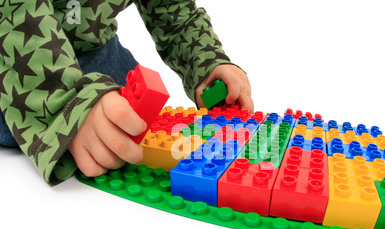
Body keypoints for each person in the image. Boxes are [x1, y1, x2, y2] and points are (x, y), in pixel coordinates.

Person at [0, 0, 253, 185]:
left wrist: (205, 60)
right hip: (13, 58)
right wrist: (68, 103)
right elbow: (16, 13)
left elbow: (173, 12)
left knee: (129, 120)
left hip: (97, 52)